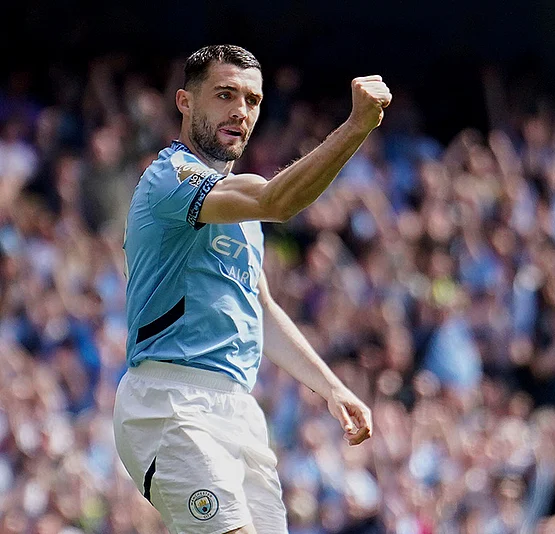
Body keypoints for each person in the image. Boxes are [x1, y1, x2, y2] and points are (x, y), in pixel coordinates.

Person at [112, 44, 391, 534]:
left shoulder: (241, 211)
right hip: (171, 403)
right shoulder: (170, 177)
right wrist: (356, 127)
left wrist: (331, 387)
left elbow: (259, 307)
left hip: (238, 410)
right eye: (225, 95)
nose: (241, 111)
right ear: (185, 102)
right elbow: (277, 200)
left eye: (253, 100)